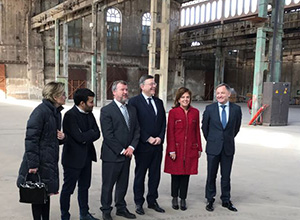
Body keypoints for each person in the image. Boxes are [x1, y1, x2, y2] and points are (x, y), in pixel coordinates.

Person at [17, 81, 66, 220]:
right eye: (62, 94)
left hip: (49, 160)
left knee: (46, 192)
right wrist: (33, 164)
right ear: (55, 96)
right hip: (39, 161)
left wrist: (62, 137)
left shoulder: (56, 113)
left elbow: (53, 137)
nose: (65, 96)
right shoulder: (40, 112)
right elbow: (31, 139)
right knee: (37, 194)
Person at [100, 80, 140, 220]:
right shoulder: (106, 110)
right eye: (122, 90)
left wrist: (131, 147)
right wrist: (122, 150)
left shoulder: (131, 109)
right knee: (108, 185)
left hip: (127, 155)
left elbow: (136, 130)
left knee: (123, 184)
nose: (125, 92)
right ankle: (106, 209)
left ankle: (121, 208)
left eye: (126, 90)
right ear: (114, 92)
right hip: (112, 155)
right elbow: (108, 135)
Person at [128, 75, 166, 215]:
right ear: (142, 86)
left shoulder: (159, 102)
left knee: (155, 175)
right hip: (143, 146)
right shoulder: (134, 102)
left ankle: (152, 200)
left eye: (154, 84)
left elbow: (163, 123)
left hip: (157, 146)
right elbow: (135, 124)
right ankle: (139, 202)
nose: (153, 86)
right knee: (140, 175)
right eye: (151, 84)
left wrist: (160, 138)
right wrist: (148, 138)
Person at [60, 88, 100, 220]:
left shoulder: (89, 114)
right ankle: (65, 215)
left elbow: (97, 133)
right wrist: (87, 136)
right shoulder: (70, 116)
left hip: (87, 157)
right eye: (91, 102)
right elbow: (79, 137)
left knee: (84, 187)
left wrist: (85, 136)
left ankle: (84, 213)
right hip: (72, 159)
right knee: (68, 189)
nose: (93, 104)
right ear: (82, 103)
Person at [201, 83, 242, 212]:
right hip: (213, 147)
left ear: (229, 94)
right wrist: (213, 140)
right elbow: (205, 128)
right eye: (218, 93)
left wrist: (226, 139)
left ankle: (226, 199)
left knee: (226, 175)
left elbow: (236, 128)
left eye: (222, 93)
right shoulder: (210, 109)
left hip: (228, 147)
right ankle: (210, 199)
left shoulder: (236, 109)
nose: (219, 95)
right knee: (211, 175)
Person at [164, 87, 202, 211]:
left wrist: (199, 148)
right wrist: (171, 150)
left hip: (190, 148)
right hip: (177, 149)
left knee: (186, 175)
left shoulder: (195, 112)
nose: (185, 99)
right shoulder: (174, 113)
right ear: (178, 99)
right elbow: (170, 132)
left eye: (187, 97)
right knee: (176, 174)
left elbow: (197, 131)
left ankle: (183, 198)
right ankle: (174, 197)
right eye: (183, 97)